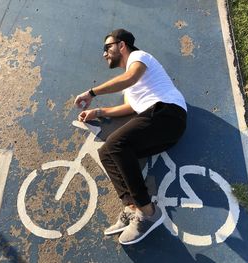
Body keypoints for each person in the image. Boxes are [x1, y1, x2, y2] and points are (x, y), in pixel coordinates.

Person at [74, 29, 187, 245]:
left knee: (116, 145)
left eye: (107, 48)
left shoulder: (139, 57)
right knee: (107, 152)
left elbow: (130, 77)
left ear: (122, 45)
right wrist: (98, 112)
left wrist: (91, 93)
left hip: (168, 113)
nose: (104, 54)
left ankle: (148, 212)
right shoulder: (134, 88)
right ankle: (132, 208)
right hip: (159, 125)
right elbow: (131, 108)